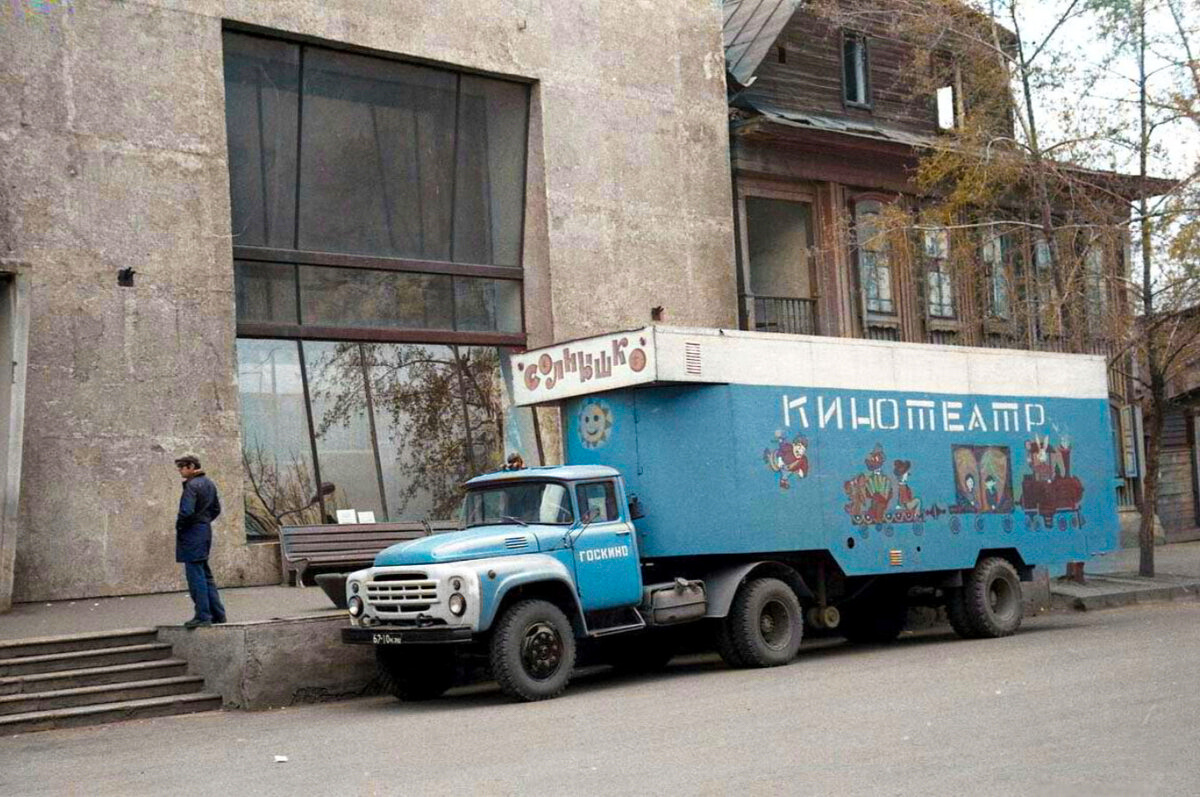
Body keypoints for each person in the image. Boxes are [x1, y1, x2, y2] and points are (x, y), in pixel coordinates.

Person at [174, 453, 226, 628]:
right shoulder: (209, 483)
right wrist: (204, 521)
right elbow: (216, 509)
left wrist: (181, 525)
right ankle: (218, 614)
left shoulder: (191, 486)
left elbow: (186, 512)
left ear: (190, 466)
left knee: (195, 576)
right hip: (204, 531)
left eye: (181, 467)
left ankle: (203, 615)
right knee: (205, 575)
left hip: (192, 534)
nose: (180, 471)